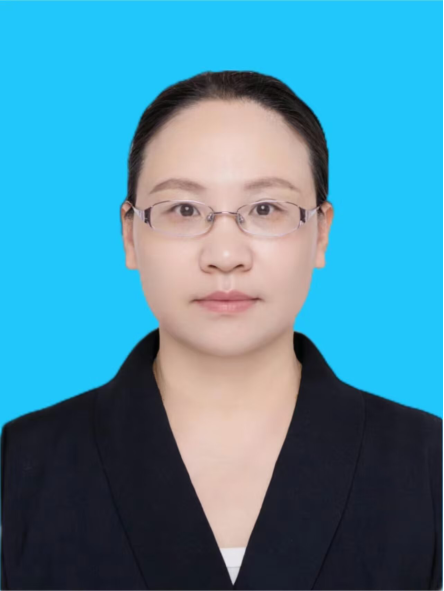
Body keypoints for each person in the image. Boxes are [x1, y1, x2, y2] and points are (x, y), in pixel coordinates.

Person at [1, 70, 442, 591]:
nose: (226, 255)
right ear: (130, 235)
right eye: (184, 210)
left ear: (321, 232)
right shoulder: (20, 464)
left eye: (266, 209)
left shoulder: (427, 462)